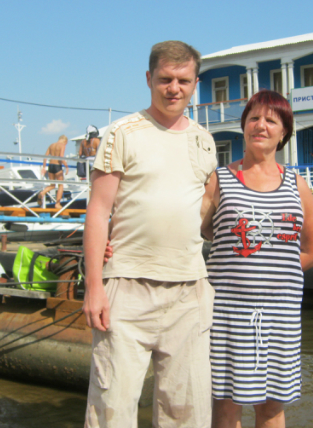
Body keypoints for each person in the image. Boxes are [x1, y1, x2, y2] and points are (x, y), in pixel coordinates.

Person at [83, 41, 218, 428]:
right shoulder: (122, 133)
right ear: (149, 79)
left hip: (189, 291)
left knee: (187, 412)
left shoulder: (205, 141)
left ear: (195, 84)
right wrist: (94, 286)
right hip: (127, 288)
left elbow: (207, 210)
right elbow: (98, 210)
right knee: (112, 408)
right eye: (165, 79)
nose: (174, 88)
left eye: (183, 81)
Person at [201, 89, 313, 428]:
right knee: (226, 405)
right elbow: (197, 231)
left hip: (280, 315)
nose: (260, 125)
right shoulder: (219, 180)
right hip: (227, 312)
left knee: (271, 407)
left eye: (271, 120)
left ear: (284, 132)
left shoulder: (297, 185)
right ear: (243, 126)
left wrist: (277, 274)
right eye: (253, 118)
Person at [38, 134, 69, 209]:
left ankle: (42, 192)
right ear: (65, 141)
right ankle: (57, 204)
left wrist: (44, 167)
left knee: (52, 185)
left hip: (50, 166)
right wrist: (66, 166)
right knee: (61, 185)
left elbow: (45, 157)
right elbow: (61, 157)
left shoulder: (51, 145)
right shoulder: (62, 145)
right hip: (57, 166)